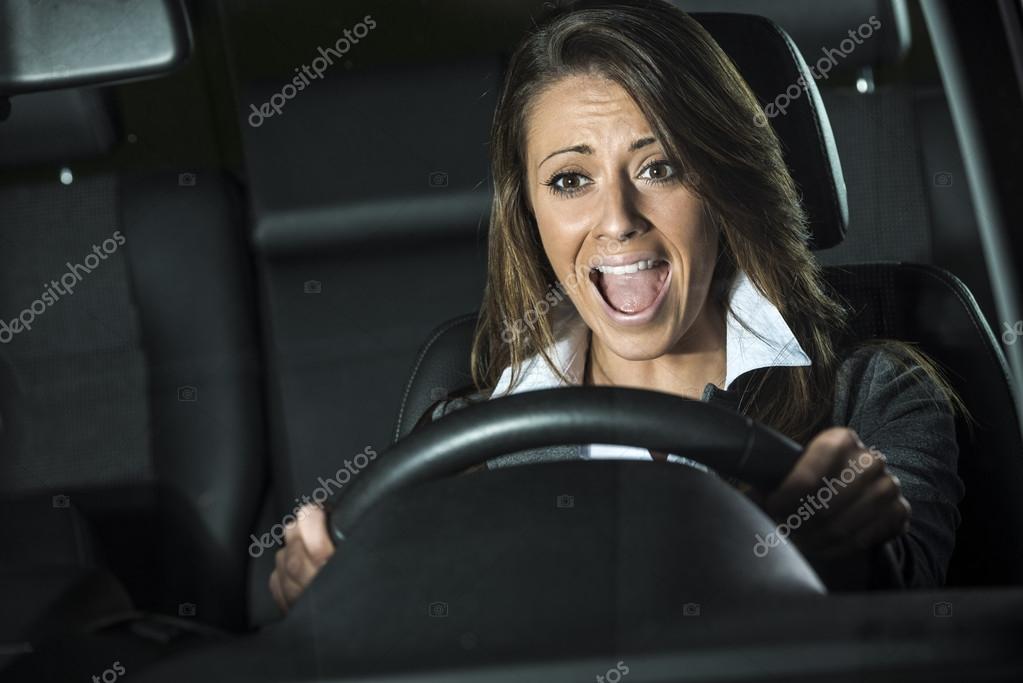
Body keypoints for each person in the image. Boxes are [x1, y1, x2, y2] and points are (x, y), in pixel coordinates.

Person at [269, 0, 965, 613]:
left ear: (724, 184)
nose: (616, 219)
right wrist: (336, 601)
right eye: (570, 179)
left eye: (659, 168)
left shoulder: (873, 396)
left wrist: (831, 556)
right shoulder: (467, 442)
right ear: (530, 214)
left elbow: (911, 627)